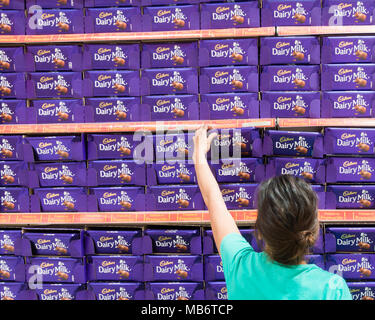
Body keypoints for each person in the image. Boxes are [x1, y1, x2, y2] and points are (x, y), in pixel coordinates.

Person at [192, 125, 352, 300]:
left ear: (259, 230)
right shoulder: (331, 289)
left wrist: (198, 156)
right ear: (313, 230)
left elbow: (214, 202)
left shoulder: (241, 268)